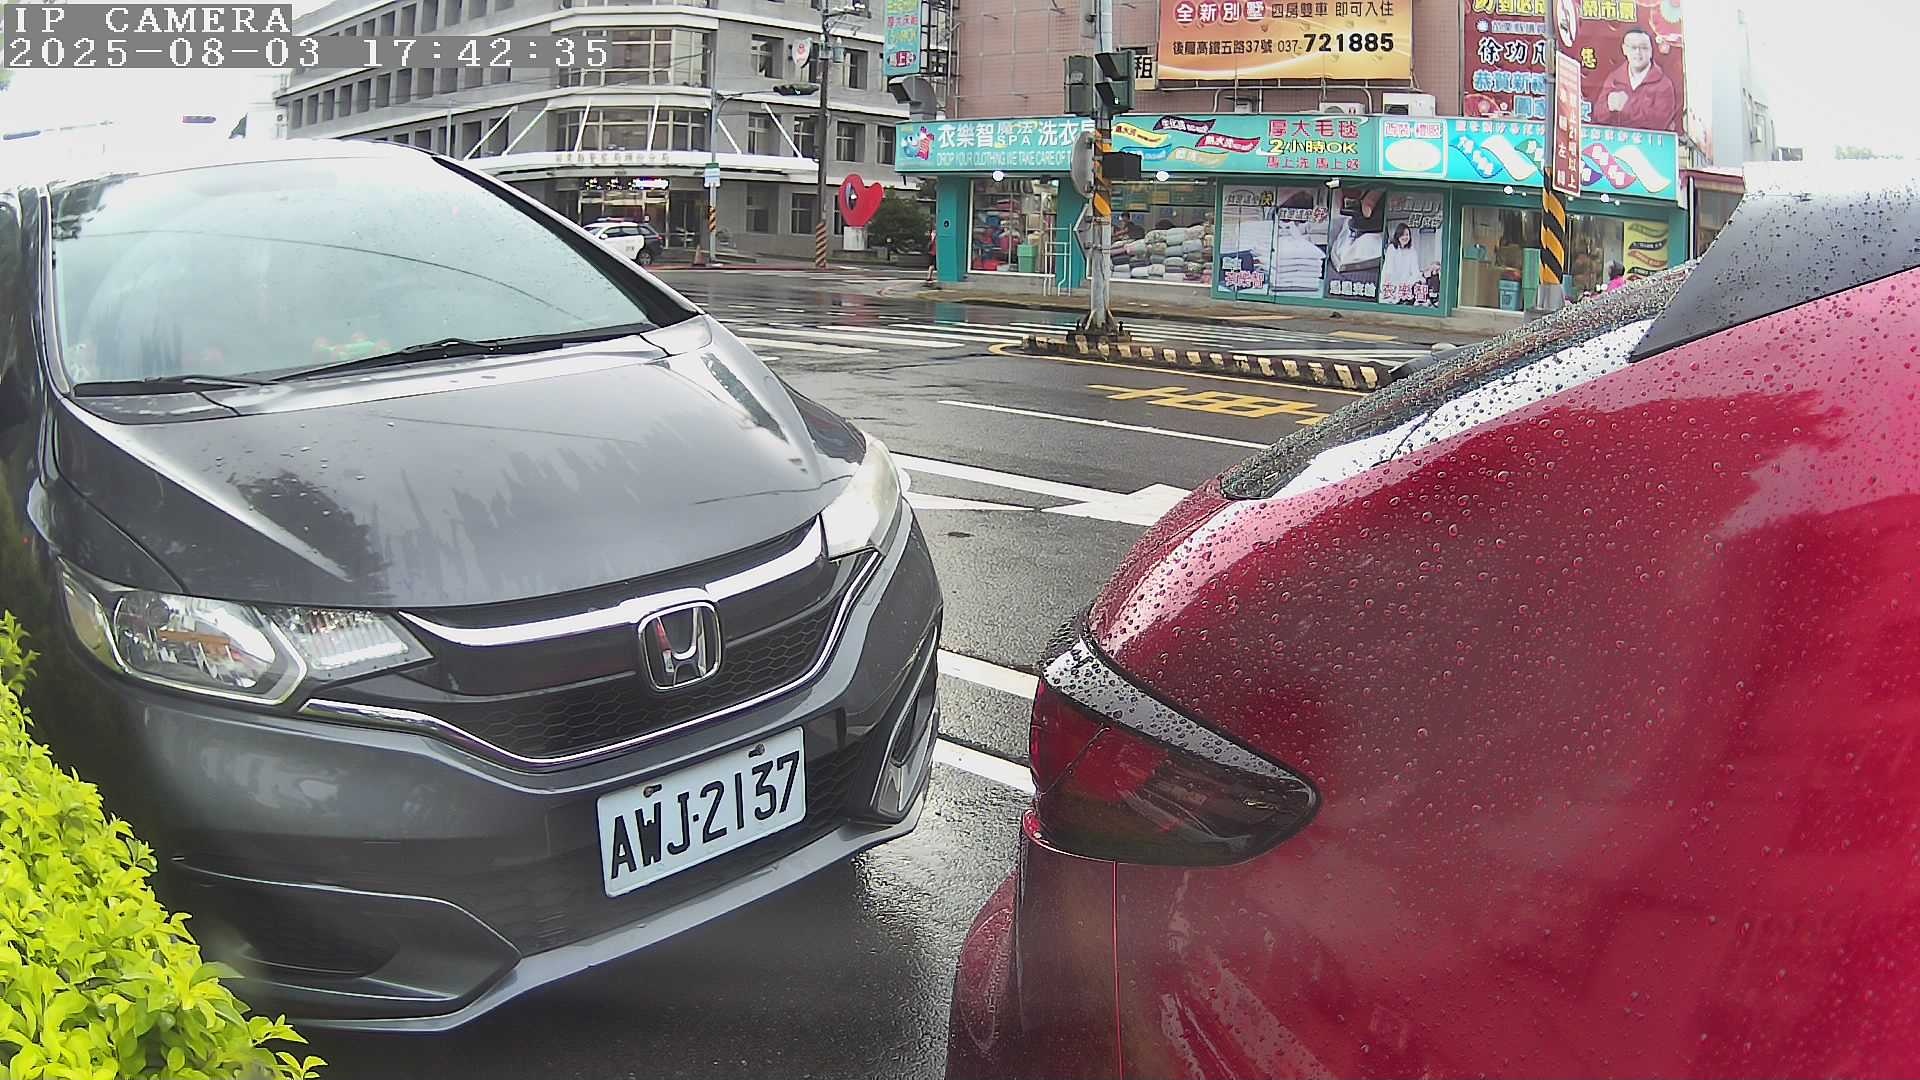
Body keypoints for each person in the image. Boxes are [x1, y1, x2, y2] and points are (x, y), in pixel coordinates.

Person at [1591, 27, 1680, 131]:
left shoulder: (1664, 84)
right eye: (1633, 48)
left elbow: (1660, 122)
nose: (1638, 52)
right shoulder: (1614, 79)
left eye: (1644, 48)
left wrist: (1626, 106)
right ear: (1624, 50)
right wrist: (1608, 106)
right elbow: (1597, 115)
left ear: (1651, 51)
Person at [1381, 224, 1425, 304]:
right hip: (1392, 281)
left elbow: (1415, 270)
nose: (1405, 237)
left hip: (1406, 282)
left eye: (1407, 235)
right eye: (1402, 235)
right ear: (1398, 236)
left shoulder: (1412, 250)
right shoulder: (1392, 248)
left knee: (1419, 280)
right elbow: (1389, 270)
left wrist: (1413, 280)